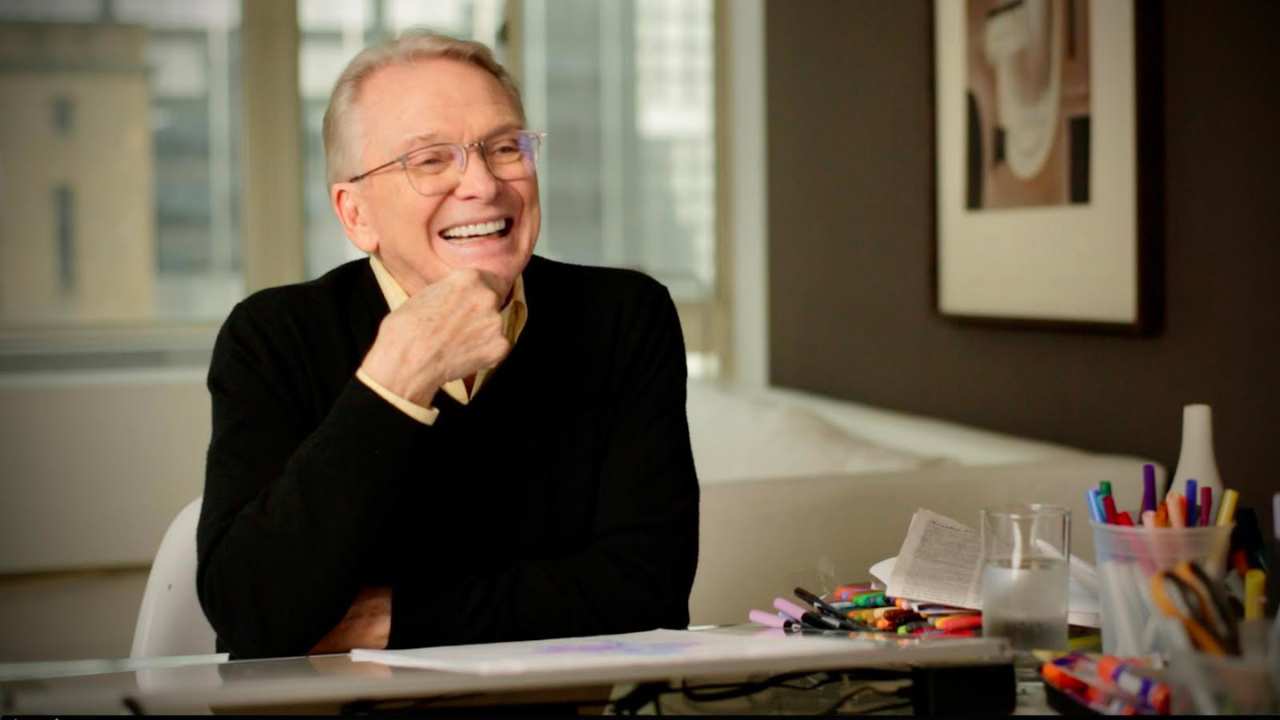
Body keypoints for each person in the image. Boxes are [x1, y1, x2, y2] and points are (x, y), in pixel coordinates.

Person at [196, 31, 700, 659]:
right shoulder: (271, 337)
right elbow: (251, 613)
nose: (484, 185)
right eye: (431, 160)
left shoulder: (625, 316)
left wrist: (396, 620)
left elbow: (648, 594)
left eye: (504, 148)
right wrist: (395, 379)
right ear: (356, 215)